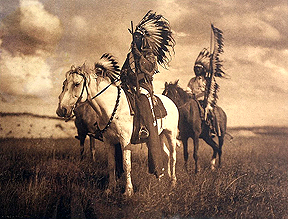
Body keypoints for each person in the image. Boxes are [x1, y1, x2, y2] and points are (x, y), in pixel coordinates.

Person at [120, 11, 175, 177]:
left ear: (143, 39)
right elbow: (124, 71)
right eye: (134, 37)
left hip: (143, 89)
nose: (135, 40)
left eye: (138, 37)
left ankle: (157, 166)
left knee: (144, 106)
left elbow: (149, 71)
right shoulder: (130, 55)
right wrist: (124, 77)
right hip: (128, 88)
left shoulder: (150, 54)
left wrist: (139, 58)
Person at [186, 48, 217, 137]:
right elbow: (188, 89)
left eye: (198, 69)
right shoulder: (192, 80)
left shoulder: (208, 81)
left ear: (203, 70)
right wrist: (190, 94)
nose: (196, 70)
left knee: (210, 112)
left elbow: (211, 91)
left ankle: (212, 129)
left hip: (204, 101)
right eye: (195, 68)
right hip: (193, 101)